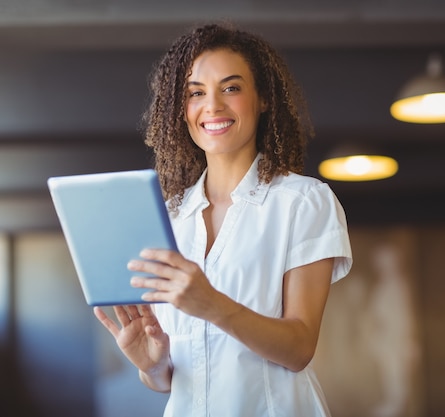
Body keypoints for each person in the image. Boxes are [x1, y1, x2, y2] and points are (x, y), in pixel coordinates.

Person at [94, 22, 352, 417]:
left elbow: (299, 347)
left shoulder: (303, 202)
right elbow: (169, 378)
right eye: (196, 93)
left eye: (230, 88)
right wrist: (151, 363)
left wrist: (213, 304)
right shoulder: (168, 217)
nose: (212, 106)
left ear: (263, 98)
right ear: (180, 109)